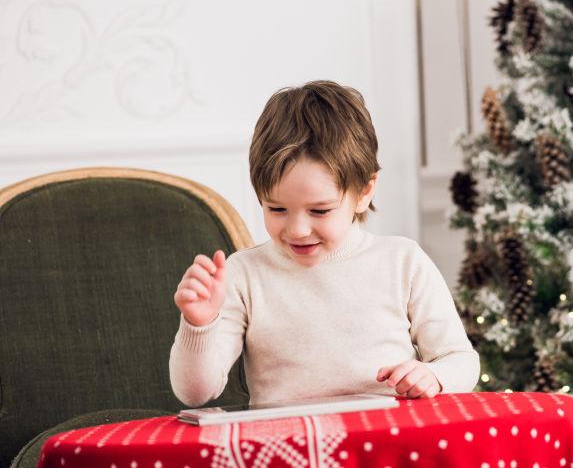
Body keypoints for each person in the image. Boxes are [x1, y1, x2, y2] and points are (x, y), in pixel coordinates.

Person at [169, 80, 480, 407]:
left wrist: (434, 376)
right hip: (288, 447)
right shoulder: (245, 274)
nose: (298, 229)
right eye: (276, 209)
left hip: (383, 442)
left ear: (364, 192)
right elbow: (196, 393)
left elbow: (460, 358)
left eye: (320, 210)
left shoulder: (403, 262)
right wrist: (199, 325)